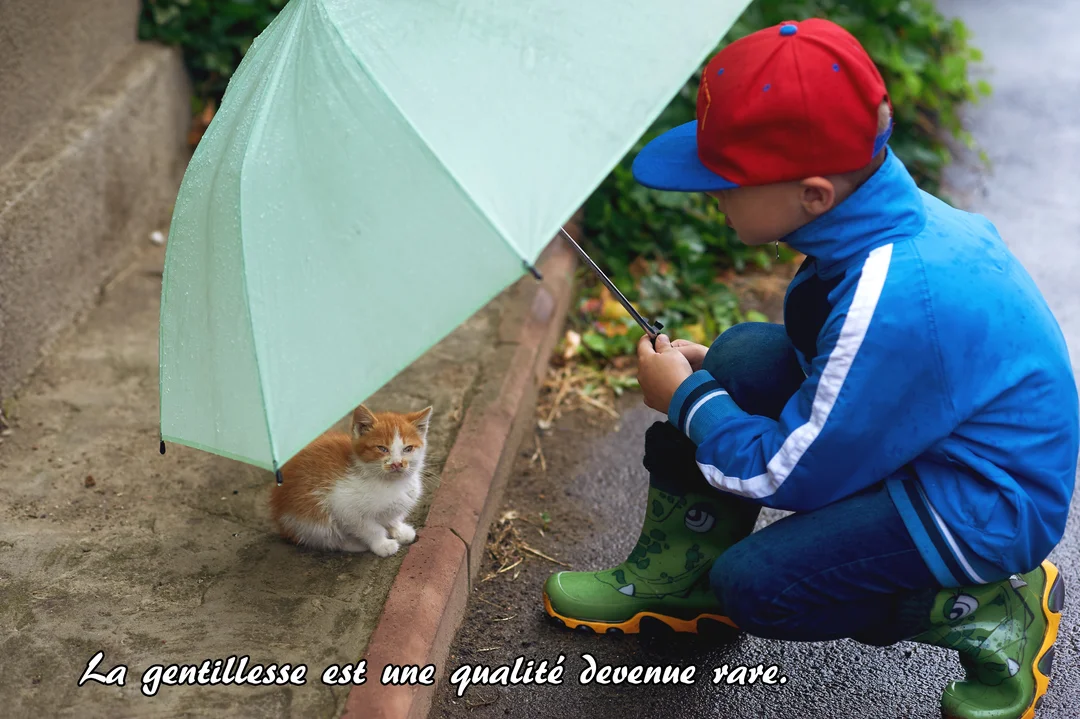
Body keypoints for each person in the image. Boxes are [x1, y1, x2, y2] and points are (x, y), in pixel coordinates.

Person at [543, 18, 1078, 719]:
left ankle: (992, 609)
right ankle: (681, 578)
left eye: (726, 181)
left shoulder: (894, 294)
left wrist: (689, 402)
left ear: (814, 194)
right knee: (739, 357)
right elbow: (839, 373)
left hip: (980, 503)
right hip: (931, 441)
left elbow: (790, 472)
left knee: (759, 587)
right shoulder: (871, 220)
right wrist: (708, 384)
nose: (711, 195)